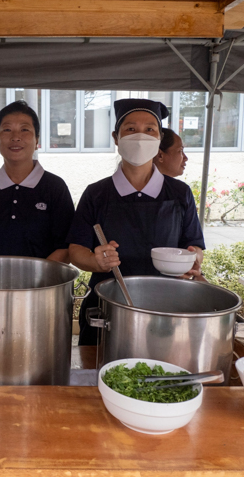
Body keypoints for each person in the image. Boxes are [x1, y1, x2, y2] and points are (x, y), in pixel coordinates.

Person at [67, 98, 206, 345]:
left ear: (159, 138)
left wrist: (193, 259)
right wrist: (95, 261)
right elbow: (76, 250)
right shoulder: (96, 194)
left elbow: (194, 245)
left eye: (149, 129)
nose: (140, 136)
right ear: (116, 137)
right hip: (106, 306)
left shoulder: (179, 193)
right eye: (130, 129)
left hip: (166, 305)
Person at [0, 101, 74, 263]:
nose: (16, 137)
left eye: (25, 130)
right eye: (7, 130)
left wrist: (38, 279)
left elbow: (66, 247)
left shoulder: (54, 188)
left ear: (37, 140)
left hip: (43, 285)